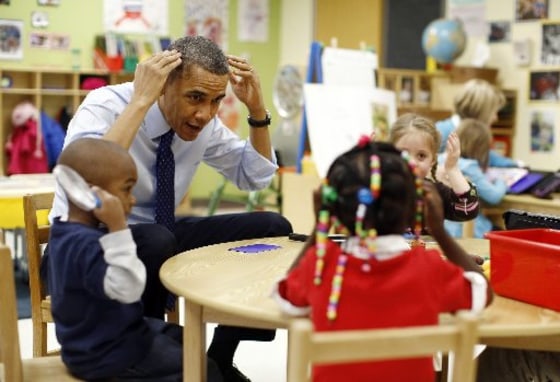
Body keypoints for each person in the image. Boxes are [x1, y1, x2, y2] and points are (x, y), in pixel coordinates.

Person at [47, 35, 293, 382]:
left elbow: (254, 177)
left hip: (158, 235)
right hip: (87, 246)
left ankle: (220, 356)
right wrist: (141, 101)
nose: (204, 113)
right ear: (164, 85)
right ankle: (141, 357)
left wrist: (256, 112)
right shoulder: (105, 104)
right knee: (156, 238)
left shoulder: (205, 123)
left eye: (215, 101)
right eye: (195, 98)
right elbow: (86, 180)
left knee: (273, 226)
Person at [272, 139, 493, 382]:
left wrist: (319, 229)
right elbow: (483, 293)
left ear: (333, 208)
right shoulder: (429, 268)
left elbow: (284, 296)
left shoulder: (321, 267)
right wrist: (439, 231)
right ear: (414, 210)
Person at [48, 138, 224, 381]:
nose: (132, 199)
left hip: (113, 335)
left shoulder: (64, 232)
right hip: (107, 354)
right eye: (127, 189)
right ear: (91, 194)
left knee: (187, 338)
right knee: (203, 368)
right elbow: (129, 289)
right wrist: (118, 227)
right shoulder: (83, 244)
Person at [389, 113, 480, 224]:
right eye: (403, 153)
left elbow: (469, 210)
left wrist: (452, 169)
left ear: (432, 161)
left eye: (421, 156)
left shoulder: (434, 193)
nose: (412, 162)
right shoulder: (379, 187)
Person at [438, 119, 507, 239]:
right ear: (480, 148)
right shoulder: (469, 166)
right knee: (505, 234)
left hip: (444, 228)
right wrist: (502, 181)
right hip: (471, 229)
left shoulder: (440, 160)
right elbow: (494, 196)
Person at [434, 79, 523, 168]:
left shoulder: (472, 135)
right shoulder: (441, 133)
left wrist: (516, 164)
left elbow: (488, 156)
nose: (495, 118)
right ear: (480, 111)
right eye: (493, 112)